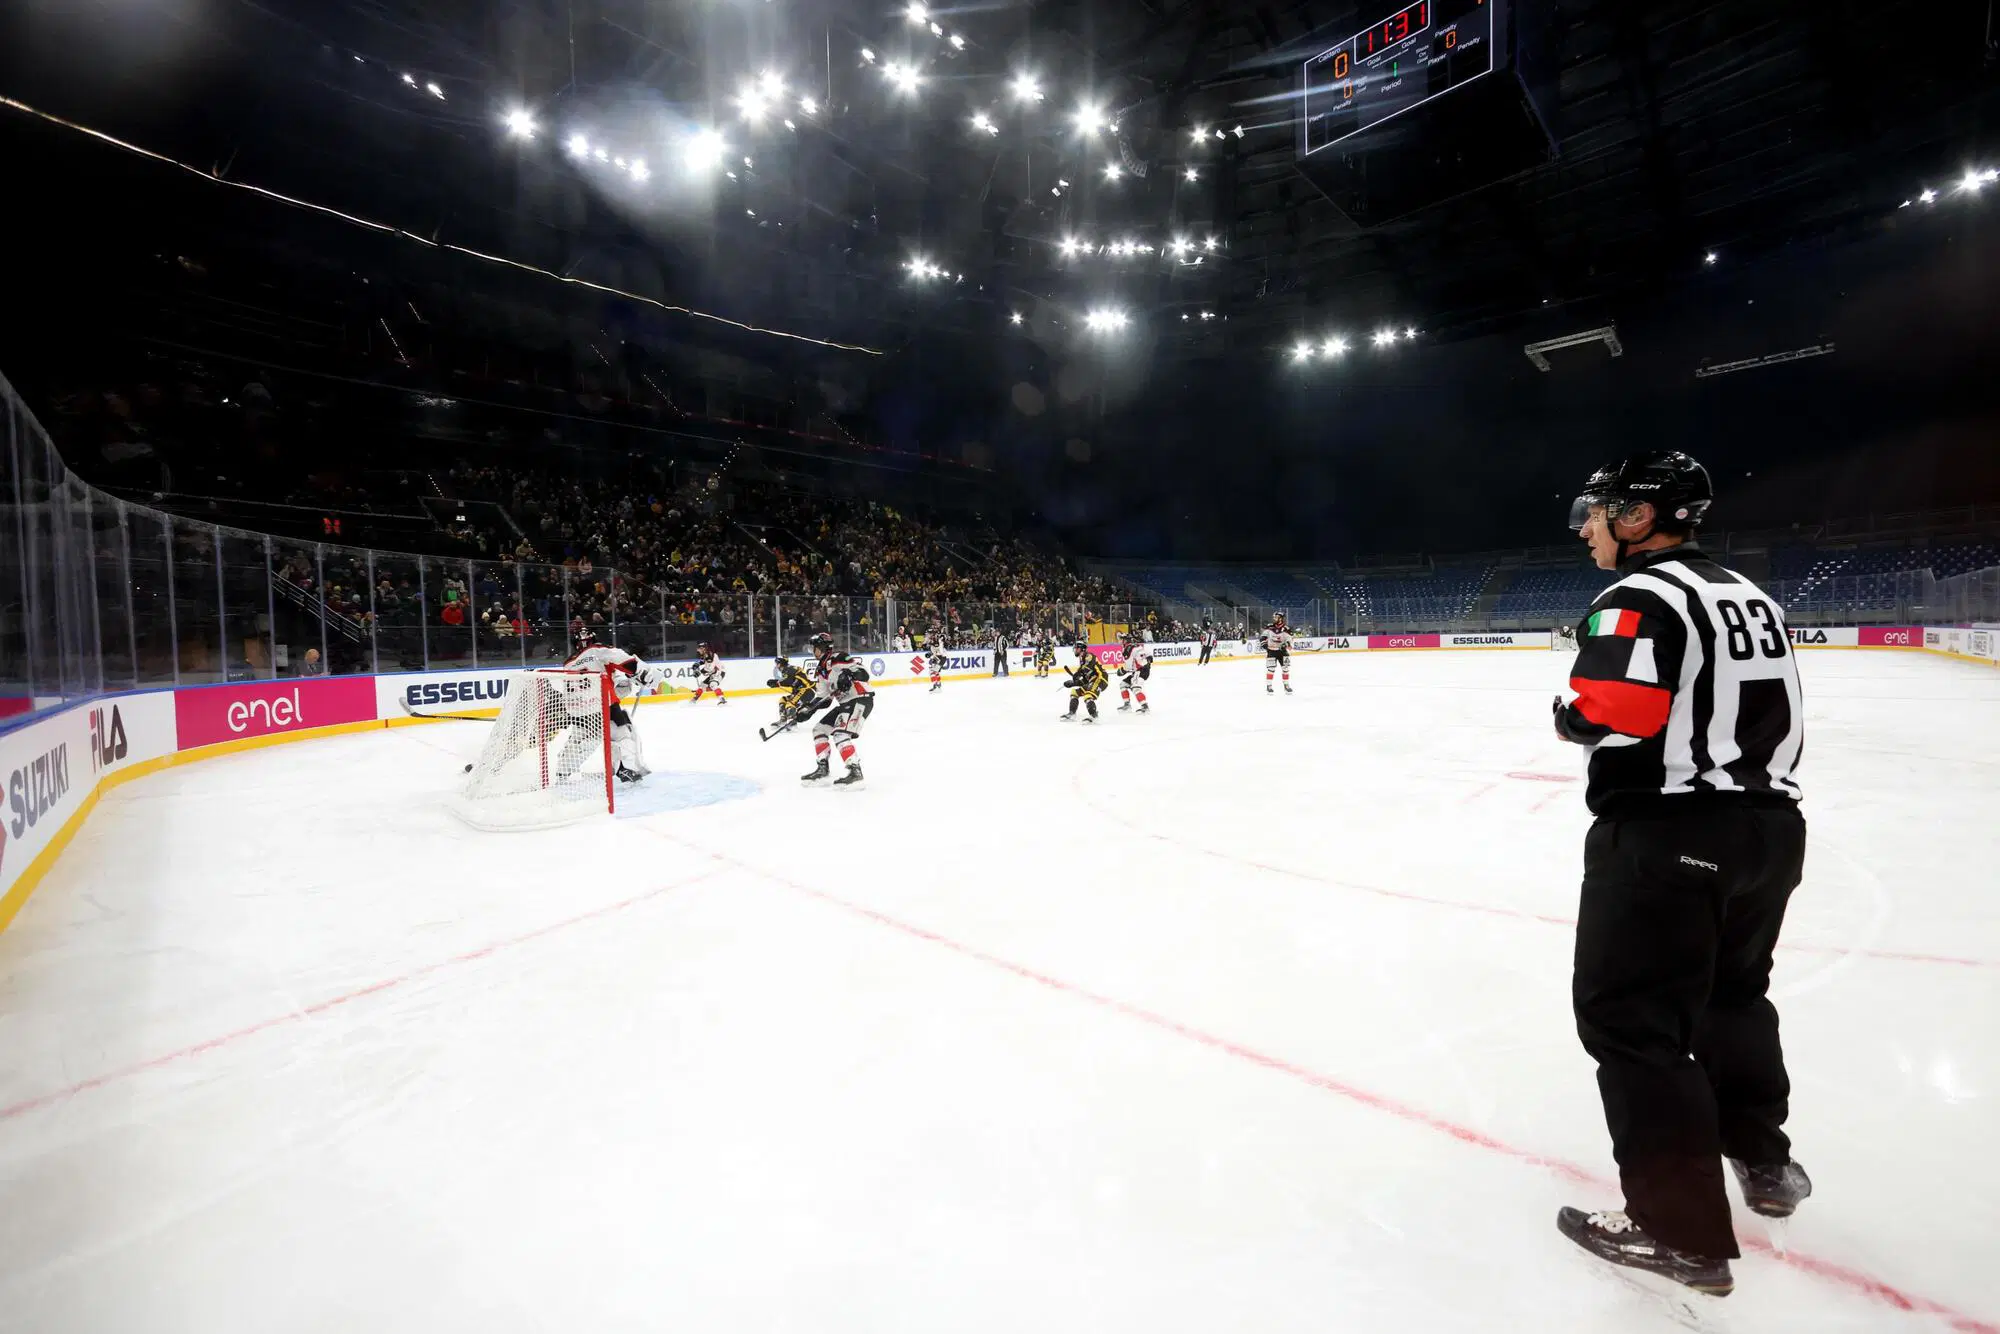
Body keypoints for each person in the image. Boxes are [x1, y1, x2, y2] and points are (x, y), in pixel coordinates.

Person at [1550, 450, 1811, 1298]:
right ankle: (1764, 1161)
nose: (1587, 529)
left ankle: (1678, 1231)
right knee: (1734, 995)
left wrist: (1568, 716)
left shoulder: (1638, 596)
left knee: (1633, 1024)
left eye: (1599, 513)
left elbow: (1613, 711)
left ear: (1638, 518)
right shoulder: (1750, 595)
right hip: (1770, 831)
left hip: (1669, 835)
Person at [563, 629, 669, 783]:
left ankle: (561, 772)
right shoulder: (597, 650)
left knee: (581, 739)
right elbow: (623, 660)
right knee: (623, 734)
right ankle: (625, 768)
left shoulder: (568, 663)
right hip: (602, 703)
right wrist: (643, 673)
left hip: (577, 708)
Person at [796, 631, 872, 787]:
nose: (813, 651)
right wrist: (809, 709)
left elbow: (864, 673)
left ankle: (855, 771)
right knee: (819, 730)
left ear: (823, 647)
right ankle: (822, 768)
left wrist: (849, 675)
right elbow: (823, 699)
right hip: (845, 703)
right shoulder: (821, 670)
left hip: (860, 698)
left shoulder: (839, 658)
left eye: (815, 648)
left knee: (840, 733)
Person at [1059, 641, 1109, 723]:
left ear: (1082, 649)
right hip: (1092, 681)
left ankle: (1094, 716)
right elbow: (1085, 680)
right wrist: (1073, 683)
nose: (1075, 650)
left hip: (1100, 679)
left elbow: (1088, 666)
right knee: (1074, 692)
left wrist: (1077, 673)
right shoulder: (1082, 661)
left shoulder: (1089, 656)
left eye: (1077, 648)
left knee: (1088, 695)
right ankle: (1072, 713)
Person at [767, 653, 814, 719]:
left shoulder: (789, 669)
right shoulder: (787, 670)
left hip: (807, 691)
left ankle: (791, 721)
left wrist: (777, 683)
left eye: (777, 663)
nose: (776, 665)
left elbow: (789, 680)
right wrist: (777, 683)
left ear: (781, 663)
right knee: (783, 700)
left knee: (790, 704)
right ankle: (783, 719)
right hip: (801, 691)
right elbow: (792, 682)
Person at [1116, 631, 1152, 714]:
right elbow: (1149, 655)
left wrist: (1121, 671)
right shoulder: (1136, 645)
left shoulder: (1127, 649)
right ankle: (1127, 705)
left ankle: (1145, 707)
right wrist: (1148, 662)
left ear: (1125, 640)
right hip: (1141, 670)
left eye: (1121, 639)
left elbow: (1128, 667)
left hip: (1140, 671)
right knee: (1123, 684)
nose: (1119, 641)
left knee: (1136, 688)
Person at [1261, 613, 1293, 694]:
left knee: (1286, 668)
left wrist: (1286, 645)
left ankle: (1286, 685)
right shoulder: (1269, 626)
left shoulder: (1286, 628)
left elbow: (1289, 640)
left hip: (1283, 652)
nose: (1274, 618)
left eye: (1276, 617)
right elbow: (1262, 637)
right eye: (1274, 617)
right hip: (1271, 651)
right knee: (1271, 669)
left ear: (1281, 618)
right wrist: (1265, 645)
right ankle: (1269, 686)